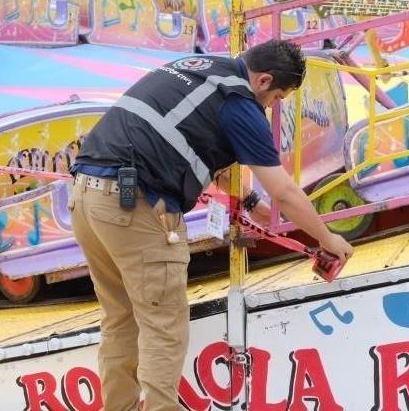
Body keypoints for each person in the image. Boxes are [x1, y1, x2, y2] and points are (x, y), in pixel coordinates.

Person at [69, 39, 354, 410]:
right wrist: (327, 237)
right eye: (275, 98)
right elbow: (284, 191)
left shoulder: (197, 68)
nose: (269, 108)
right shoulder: (240, 105)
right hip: (137, 208)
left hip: (88, 199)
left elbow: (189, 143)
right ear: (264, 81)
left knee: (120, 320)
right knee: (163, 327)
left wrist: (251, 203)